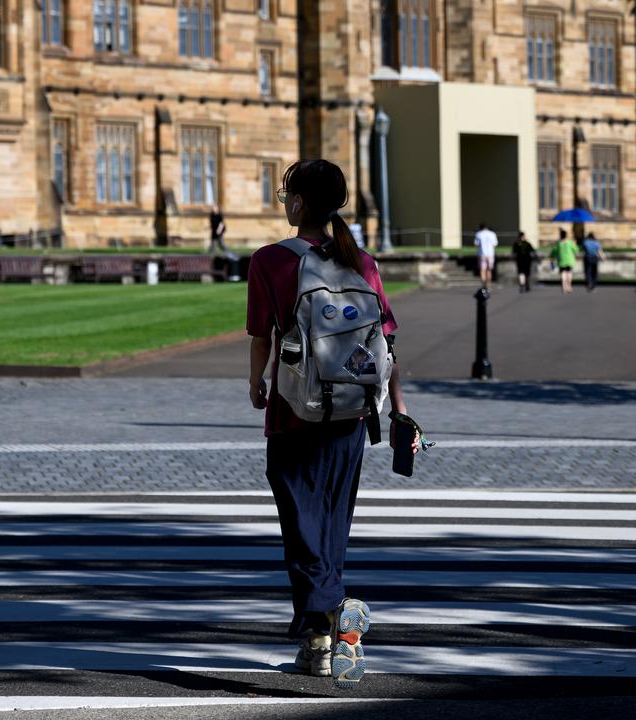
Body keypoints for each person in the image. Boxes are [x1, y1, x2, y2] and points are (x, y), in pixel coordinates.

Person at [246, 158, 420, 689]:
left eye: (286, 194)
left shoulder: (271, 260)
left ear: (298, 203)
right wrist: (400, 408)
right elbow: (385, 343)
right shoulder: (361, 261)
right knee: (331, 528)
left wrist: (256, 383)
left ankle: (329, 614)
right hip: (352, 413)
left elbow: (262, 336)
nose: (283, 201)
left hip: (293, 410)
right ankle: (321, 642)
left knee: (301, 529)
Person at [550, 228, 577, 293]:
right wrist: (575, 244)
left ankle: (564, 286)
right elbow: (576, 250)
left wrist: (552, 258)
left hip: (561, 260)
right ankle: (569, 286)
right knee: (569, 273)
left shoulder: (558, 243)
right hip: (570, 260)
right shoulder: (570, 242)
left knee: (563, 273)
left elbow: (554, 252)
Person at [473, 222, 499, 288]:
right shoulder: (492, 234)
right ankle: (489, 285)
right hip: (490, 254)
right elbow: (495, 244)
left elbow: (476, 244)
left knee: (482, 270)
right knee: (489, 270)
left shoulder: (478, 234)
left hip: (482, 254)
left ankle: (483, 285)